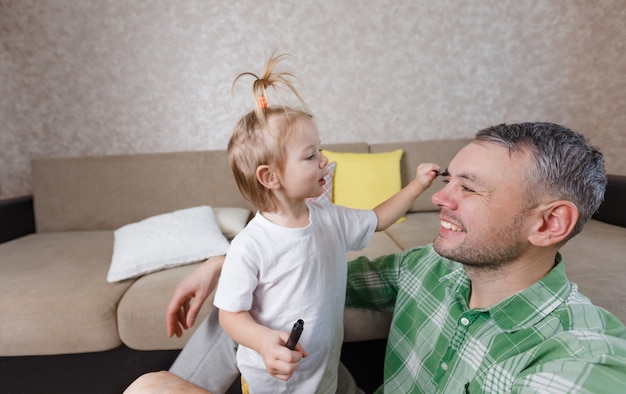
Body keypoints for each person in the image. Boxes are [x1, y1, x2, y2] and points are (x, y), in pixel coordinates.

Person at [126, 122, 626, 394]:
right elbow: (308, 275)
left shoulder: (577, 354)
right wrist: (227, 264)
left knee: (151, 389)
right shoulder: (426, 268)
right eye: (447, 179)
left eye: (467, 189)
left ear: (549, 223)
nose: (439, 200)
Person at [203, 53, 438, 394]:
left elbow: (378, 218)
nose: (324, 161)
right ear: (270, 177)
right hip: (274, 383)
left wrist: (417, 185)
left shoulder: (330, 218)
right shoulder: (250, 245)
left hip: (324, 369)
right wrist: (265, 341)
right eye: (310, 155)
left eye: (320, 150)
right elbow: (230, 315)